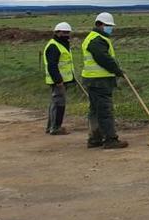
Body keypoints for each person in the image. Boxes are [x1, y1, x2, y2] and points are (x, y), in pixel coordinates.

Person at [81, 12, 128, 149]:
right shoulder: (97, 40)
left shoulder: (96, 38)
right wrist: (117, 71)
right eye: (107, 25)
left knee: (95, 110)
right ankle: (110, 139)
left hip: (94, 80)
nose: (110, 28)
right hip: (99, 81)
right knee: (104, 110)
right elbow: (104, 59)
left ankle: (95, 138)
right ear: (99, 24)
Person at [43, 22, 75, 135]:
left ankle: (51, 127)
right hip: (58, 81)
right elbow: (52, 65)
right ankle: (55, 128)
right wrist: (58, 80)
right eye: (64, 32)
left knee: (55, 103)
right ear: (57, 33)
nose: (67, 34)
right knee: (58, 104)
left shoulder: (62, 44)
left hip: (63, 79)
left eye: (68, 32)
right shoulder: (54, 46)